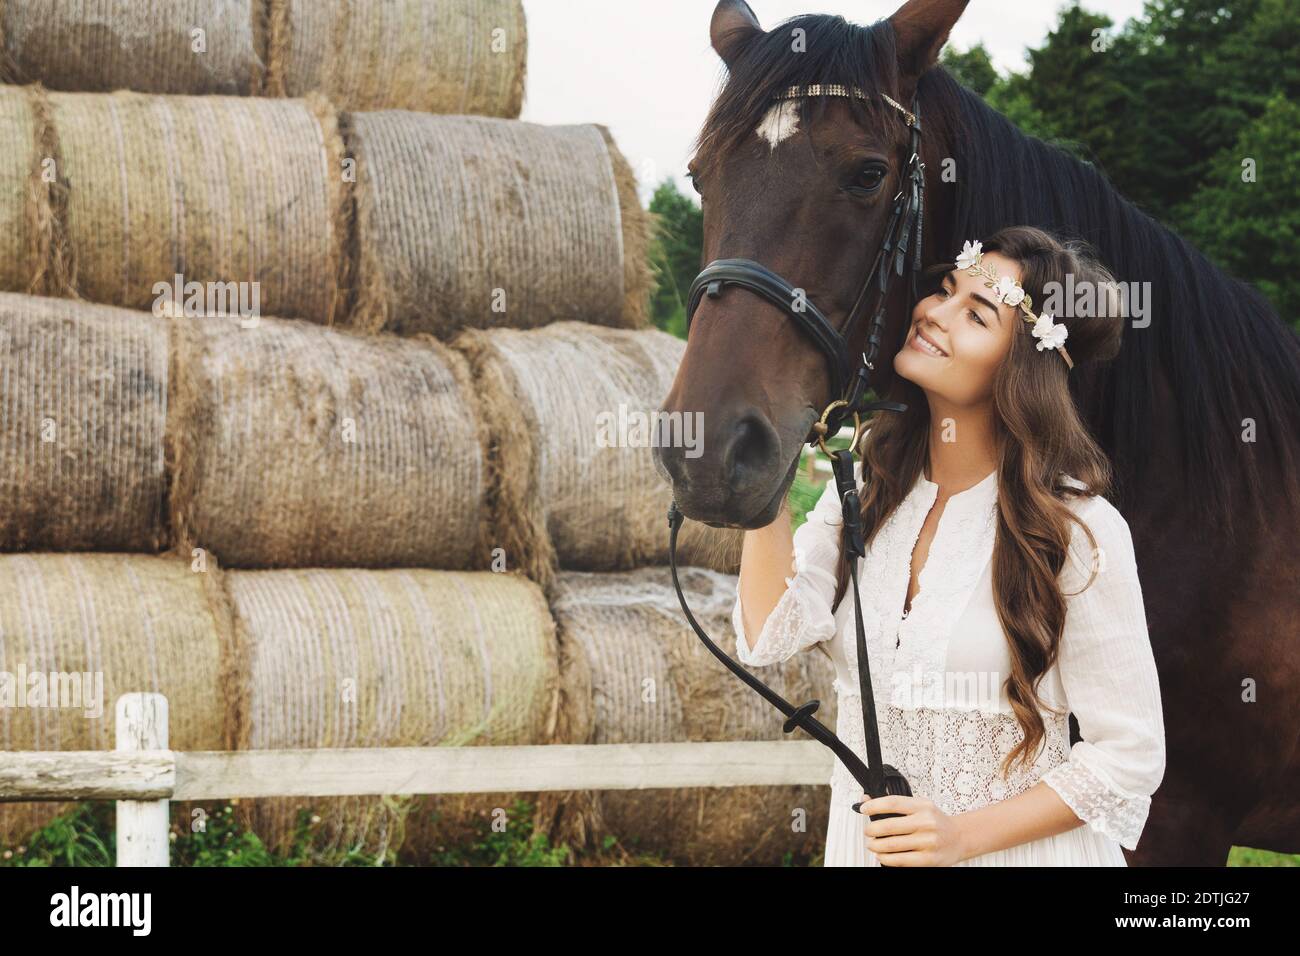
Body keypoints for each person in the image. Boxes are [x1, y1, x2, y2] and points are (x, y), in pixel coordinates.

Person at [733, 225, 1166, 866]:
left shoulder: (1077, 528)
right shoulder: (865, 489)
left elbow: (1130, 754)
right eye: (944, 289)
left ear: (1024, 366)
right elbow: (768, 633)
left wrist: (963, 836)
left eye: (975, 313)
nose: (934, 314)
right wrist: (759, 476)